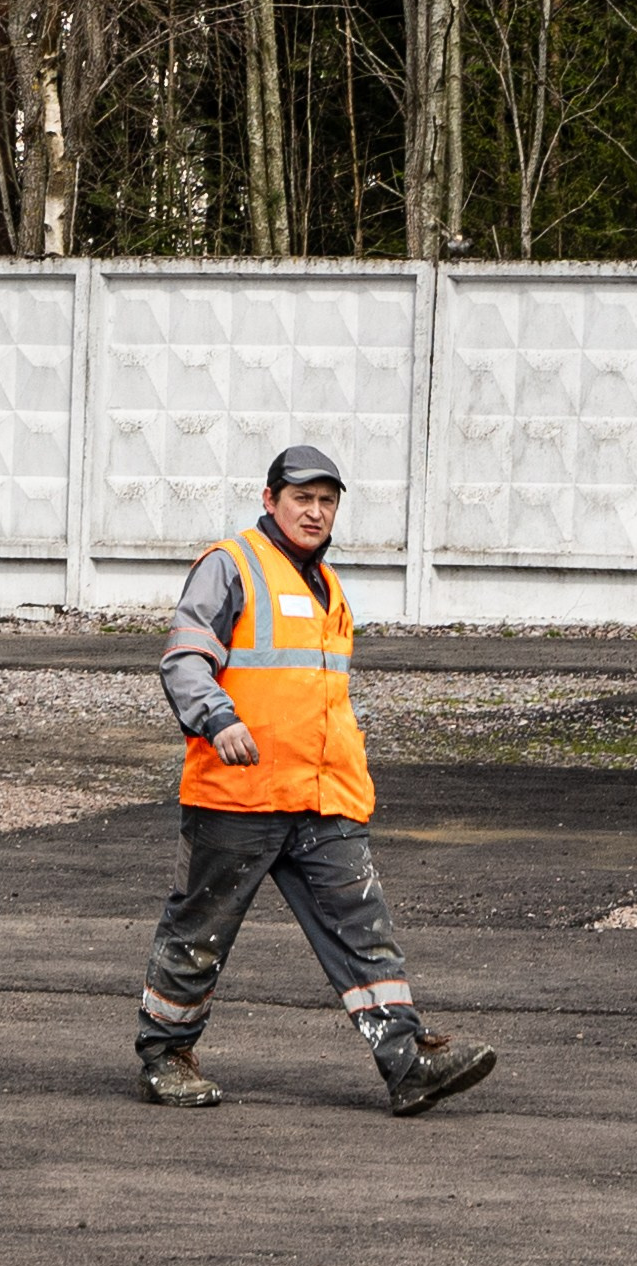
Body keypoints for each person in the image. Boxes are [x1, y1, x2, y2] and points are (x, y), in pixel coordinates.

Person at [135, 442, 496, 1116]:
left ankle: (407, 1059)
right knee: (199, 930)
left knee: (364, 929)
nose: (315, 511)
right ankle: (165, 1056)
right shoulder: (230, 566)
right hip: (239, 796)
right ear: (270, 500)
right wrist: (217, 720)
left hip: (321, 799)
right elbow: (183, 659)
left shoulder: (325, 587)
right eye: (302, 498)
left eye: (327, 501)